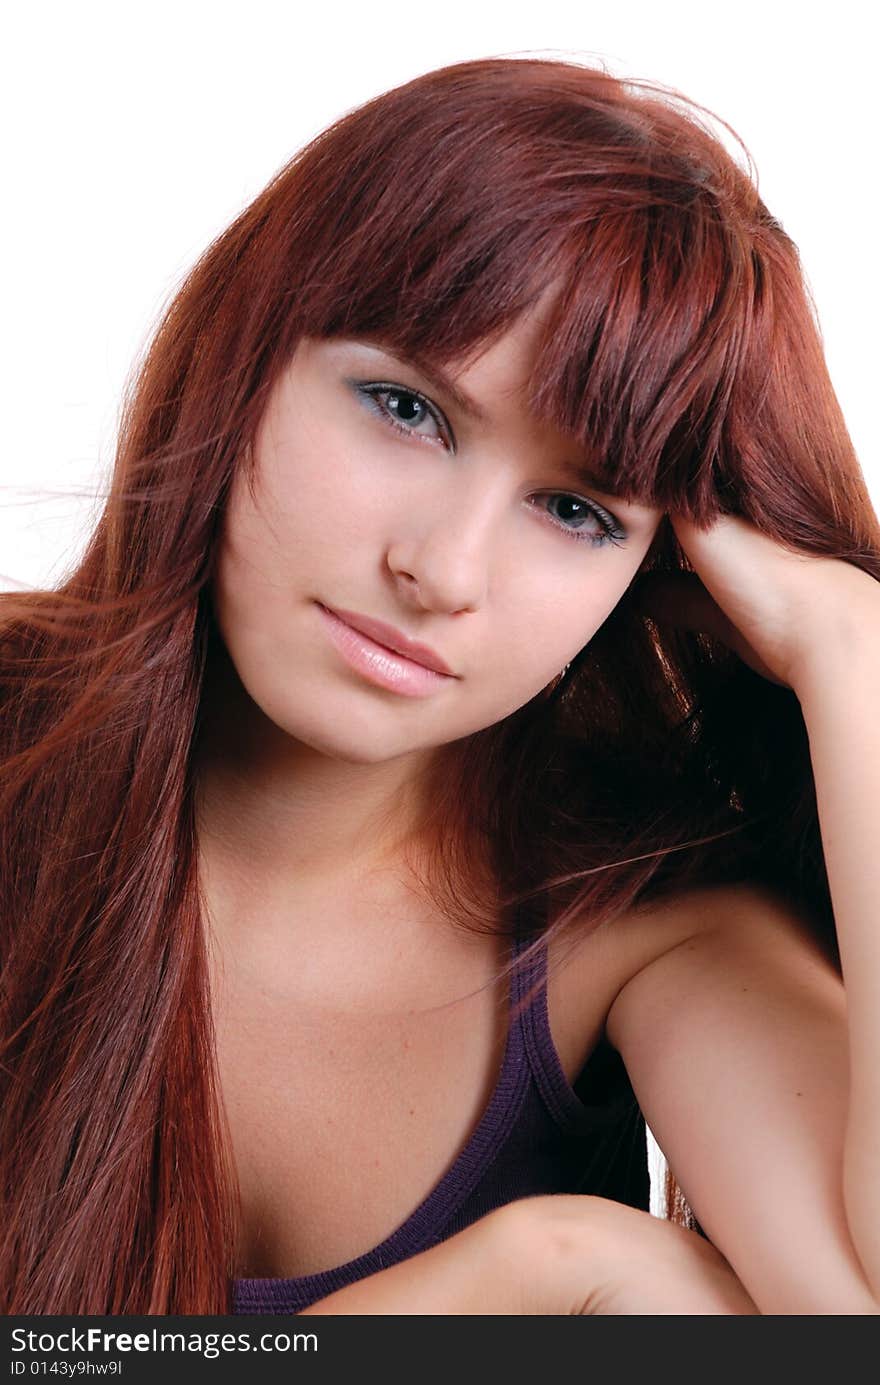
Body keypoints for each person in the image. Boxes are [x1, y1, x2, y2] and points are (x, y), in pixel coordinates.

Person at [1, 55, 878, 1317]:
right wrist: (539, 1271)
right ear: (244, 359)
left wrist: (851, 655)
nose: (441, 570)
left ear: (657, 569)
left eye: (575, 509)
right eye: (404, 408)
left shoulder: (638, 917)